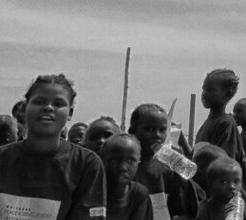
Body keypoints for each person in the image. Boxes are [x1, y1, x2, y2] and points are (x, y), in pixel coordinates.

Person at [0, 74, 106, 220]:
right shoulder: (3, 158)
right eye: (39, 101)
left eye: (58, 104)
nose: (48, 107)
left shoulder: (86, 164)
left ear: (70, 113)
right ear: (24, 109)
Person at [129, 103, 199, 220]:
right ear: (132, 132)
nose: (157, 135)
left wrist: (181, 174)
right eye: (149, 129)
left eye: (162, 130)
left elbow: (181, 208)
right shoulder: (127, 166)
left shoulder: (167, 168)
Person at [195, 70, 246, 195]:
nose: (204, 94)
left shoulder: (225, 123)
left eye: (211, 90)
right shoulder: (208, 123)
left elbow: (224, 166)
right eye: (204, 89)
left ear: (227, 94)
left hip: (224, 197)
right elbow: (199, 158)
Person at [102, 134, 153, 220]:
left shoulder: (140, 195)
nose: (123, 167)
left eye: (130, 161)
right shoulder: (93, 192)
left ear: (138, 163)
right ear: (103, 161)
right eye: (114, 161)